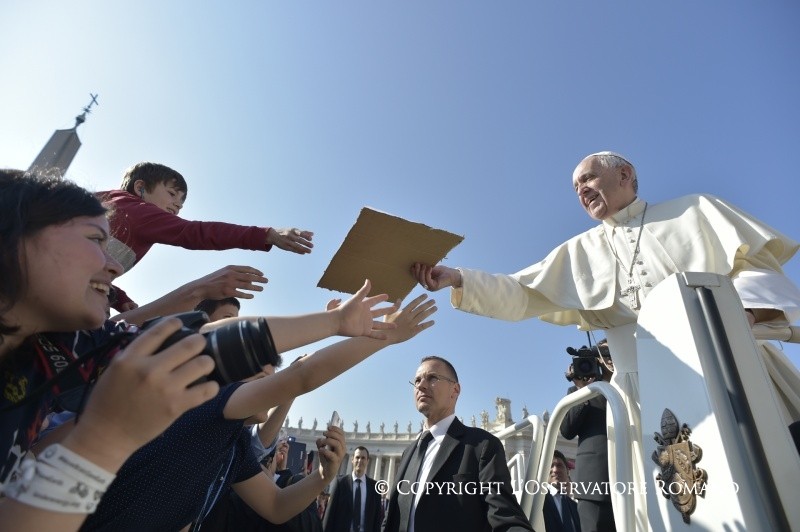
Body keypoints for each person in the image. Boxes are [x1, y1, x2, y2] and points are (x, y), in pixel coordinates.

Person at [412, 151, 800, 520]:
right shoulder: (580, 251)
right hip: (638, 394)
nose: (580, 190)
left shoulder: (694, 210)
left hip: (727, 362)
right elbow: (521, 290)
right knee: (670, 508)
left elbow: (753, 266)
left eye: (587, 178)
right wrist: (458, 278)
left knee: (770, 479)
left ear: (624, 175)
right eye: (575, 187)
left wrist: (742, 314)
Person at [71, 289, 437, 531]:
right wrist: (384, 335)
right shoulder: (211, 402)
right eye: (264, 372)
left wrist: (323, 477)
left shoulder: (236, 445)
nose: (271, 380)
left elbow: (276, 506)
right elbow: (304, 376)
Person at [0, 169, 219, 531]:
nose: (115, 266)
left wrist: (337, 325)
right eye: (95, 239)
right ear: (14, 236)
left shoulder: (57, 347)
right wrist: (104, 438)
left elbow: (199, 344)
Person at [98, 161, 314, 311]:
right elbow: (196, 232)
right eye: (172, 194)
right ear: (140, 187)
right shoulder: (140, 211)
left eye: (181, 203)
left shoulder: (108, 202)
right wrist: (266, 234)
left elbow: (86, 266)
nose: (177, 205)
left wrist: (118, 297)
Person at [382, 356, 533, 532]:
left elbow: (505, 516)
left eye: (432, 378)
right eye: (417, 380)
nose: (421, 385)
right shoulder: (409, 452)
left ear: (455, 390)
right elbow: (390, 519)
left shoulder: (482, 445)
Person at [560, 341, 615, 532]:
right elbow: (566, 430)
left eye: (612, 352)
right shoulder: (580, 393)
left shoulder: (630, 387)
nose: (610, 358)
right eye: (605, 353)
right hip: (595, 484)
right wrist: (583, 391)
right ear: (596, 360)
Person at [323, 446, 382, 532]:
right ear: (352, 459)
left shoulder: (374, 487)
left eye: (363, 458)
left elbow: (376, 521)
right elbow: (330, 514)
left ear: (367, 461)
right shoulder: (341, 483)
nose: (360, 461)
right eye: (357, 457)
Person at [541, 450, 581, 532]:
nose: (555, 470)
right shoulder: (537, 501)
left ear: (567, 471)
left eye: (559, 465)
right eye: (550, 465)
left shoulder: (575, 507)